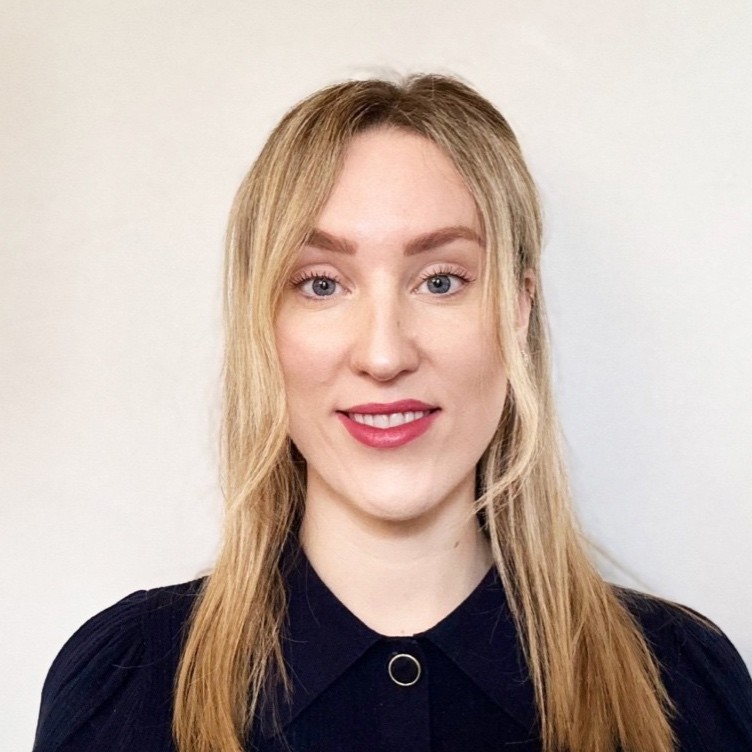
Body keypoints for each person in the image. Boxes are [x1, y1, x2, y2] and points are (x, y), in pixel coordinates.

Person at [34, 74, 752, 752]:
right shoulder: (125, 683)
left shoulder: (686, 683)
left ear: (519, 307)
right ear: (263, 324)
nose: (383, 355)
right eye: (321, 284)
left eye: (440, 281)